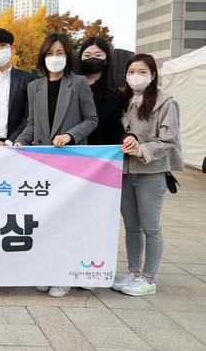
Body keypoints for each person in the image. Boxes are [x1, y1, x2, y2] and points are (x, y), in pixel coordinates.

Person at [14, 33, 98, 298]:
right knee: (46, 220)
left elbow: (91, 119)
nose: (55, 58)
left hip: (72, 162)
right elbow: (31, 124)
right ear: (43, 57)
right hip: (43, 165)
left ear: (68, 56)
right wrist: (19, 142)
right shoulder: (34, 87)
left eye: (60, 53)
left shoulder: (79, 83)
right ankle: (47, 270)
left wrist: (71, 135)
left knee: (68, 220)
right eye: (50, 53)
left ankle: (65, 275)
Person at [112, 53, 183, 297]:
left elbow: (169, 140)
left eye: (142, 72)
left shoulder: (166, 102)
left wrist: (141, 149)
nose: (136, 76)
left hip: (151, 172)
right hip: (124, 171)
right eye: (131, 72)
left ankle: (149, 277)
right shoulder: (123, 100)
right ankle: (134, 272)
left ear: (152, 75)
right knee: (131, 226)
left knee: (150, 227)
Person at [78, 37, 124, 145]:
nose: (92, 58)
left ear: (106, 59)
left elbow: (115, 129)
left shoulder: (115, 95)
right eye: (87, 55)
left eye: (98, 55)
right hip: (71, 148)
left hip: (102, 150)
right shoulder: (70, 88)